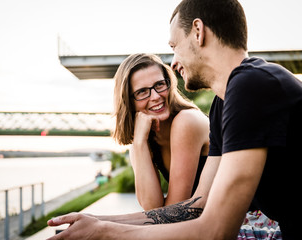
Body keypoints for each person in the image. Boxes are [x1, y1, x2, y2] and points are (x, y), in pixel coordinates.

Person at [47, 0, 302, 239]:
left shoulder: (253, 85)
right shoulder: (222, 104)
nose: (174, 61)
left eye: (173, 46)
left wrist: (107, 232)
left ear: (198, 31)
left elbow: (216, 230)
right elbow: (198, 204)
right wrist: (99, 220)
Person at [112, 53, 209, 210]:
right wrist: (139, 142)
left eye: (159, 84)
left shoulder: (187, 121)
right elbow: (152, 208)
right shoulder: (143, 142)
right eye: (142, 91)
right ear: (128, 101)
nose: (156, 96)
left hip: (247, 221)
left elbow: (174, 210)